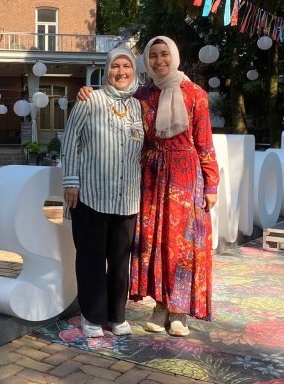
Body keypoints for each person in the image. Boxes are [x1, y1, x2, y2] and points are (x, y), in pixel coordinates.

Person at [78, 36, 219, 337]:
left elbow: (205, 143)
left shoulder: (195, 95)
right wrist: (86, 91)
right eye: (152, 56)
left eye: (164, 54)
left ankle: (179, 310)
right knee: (155, 243)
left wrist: (211, 185)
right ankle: (160, 306)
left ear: (175, 56)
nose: (159, 61)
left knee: (182, 244)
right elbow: (116, 98)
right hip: (151, 177)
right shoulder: (142, 95)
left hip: (184, 178)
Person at [61, 48, 144, 338]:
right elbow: (71, 142)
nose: (121, 72)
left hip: (127, 197)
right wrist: (71, 181)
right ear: (106, 71)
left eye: (127, 66)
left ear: (134, 70)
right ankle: (92, 316)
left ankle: (116, 315)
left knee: (120, 259)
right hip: (91, 195)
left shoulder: (138, 107)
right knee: (91, 258)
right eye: (115, 67)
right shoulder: (90, 100)